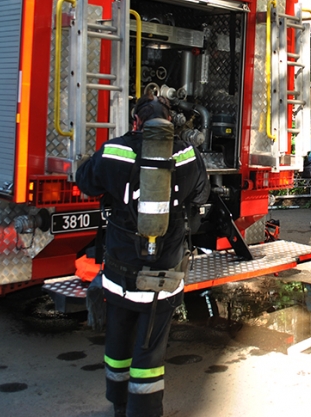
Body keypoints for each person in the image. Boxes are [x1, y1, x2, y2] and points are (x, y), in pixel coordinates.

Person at [76, 92, 210, 417]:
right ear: (169, 121)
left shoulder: (114, 151)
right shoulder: (187, 154)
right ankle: (145, 410)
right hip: (163, 276)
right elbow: (202, 192)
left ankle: (118, 404)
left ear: (136, 121)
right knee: (149, 353)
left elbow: (85, 183)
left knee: (118, 340)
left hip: (121, 274)